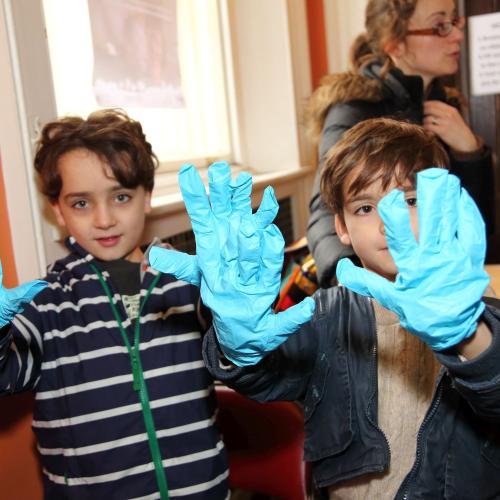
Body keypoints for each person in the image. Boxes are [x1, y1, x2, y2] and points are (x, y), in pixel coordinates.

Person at [149, 118, 500, 499]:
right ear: (342, 228)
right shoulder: (325, 317)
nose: (389, 223)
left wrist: (466, 336)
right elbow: (269, 376)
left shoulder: (481, 320)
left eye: (410, 201)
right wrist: (237, 345)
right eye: (366, 207)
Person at [0, 109, 228, 499]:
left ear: (147, 196)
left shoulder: (189, 284)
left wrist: (236, 305)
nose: (104, 219)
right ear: (57, 209)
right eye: (81, 204)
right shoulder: (47, 302)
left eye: (120, 196)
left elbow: (243, 363)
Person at [306, 0, 495, 287]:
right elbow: (327, 208)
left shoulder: (445, 105)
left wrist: (470, 153)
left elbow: (471, 222)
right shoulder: (354, 109)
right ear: (394, 43)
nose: (457, 35)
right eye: (439, 26)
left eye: (454, 22)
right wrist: (356, 285)